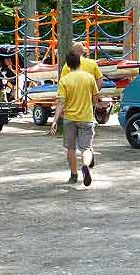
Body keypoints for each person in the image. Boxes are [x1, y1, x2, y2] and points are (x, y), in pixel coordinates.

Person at [49, 49, 100, 186]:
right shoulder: (89, 78)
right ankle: (86, 166)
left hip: (69, 119)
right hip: (86, 117)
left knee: (71, 148)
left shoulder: (64, 80)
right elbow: (95, 99)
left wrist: (54, 121)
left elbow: (61, 103)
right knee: (86, 148)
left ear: (68, 65)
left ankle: (73, 175)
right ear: (79, 62)